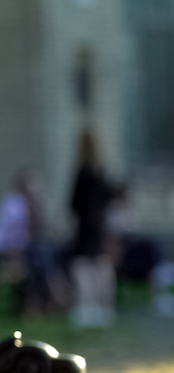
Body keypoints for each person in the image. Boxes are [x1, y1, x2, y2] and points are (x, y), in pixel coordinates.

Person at [0, 168, 68, 315]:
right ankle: (50, 299)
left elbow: (43, 231)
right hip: (4, 251)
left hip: (27, 250)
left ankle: (46, 300)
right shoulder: (13, 204)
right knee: (40, 257)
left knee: (45, 253)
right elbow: (10, 235)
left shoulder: (35, 205)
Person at [68, 128, 117, 327]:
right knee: (101, 268)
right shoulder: (100, 171)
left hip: (85, 228)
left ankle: (86, 310)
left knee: (82, 268)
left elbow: (73, 204)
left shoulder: (83, 172)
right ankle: (104, 309)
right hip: (100, 228)